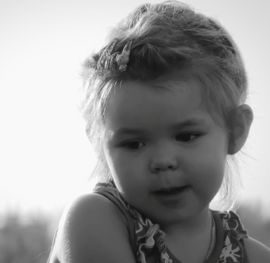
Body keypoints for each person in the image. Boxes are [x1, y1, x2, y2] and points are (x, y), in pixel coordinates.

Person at [48, 1, 270, 262]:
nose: (163, 161)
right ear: (100, 145)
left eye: (186, 136)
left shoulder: (247, 254)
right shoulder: (94, 219)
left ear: (235, 130)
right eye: (134, 144)